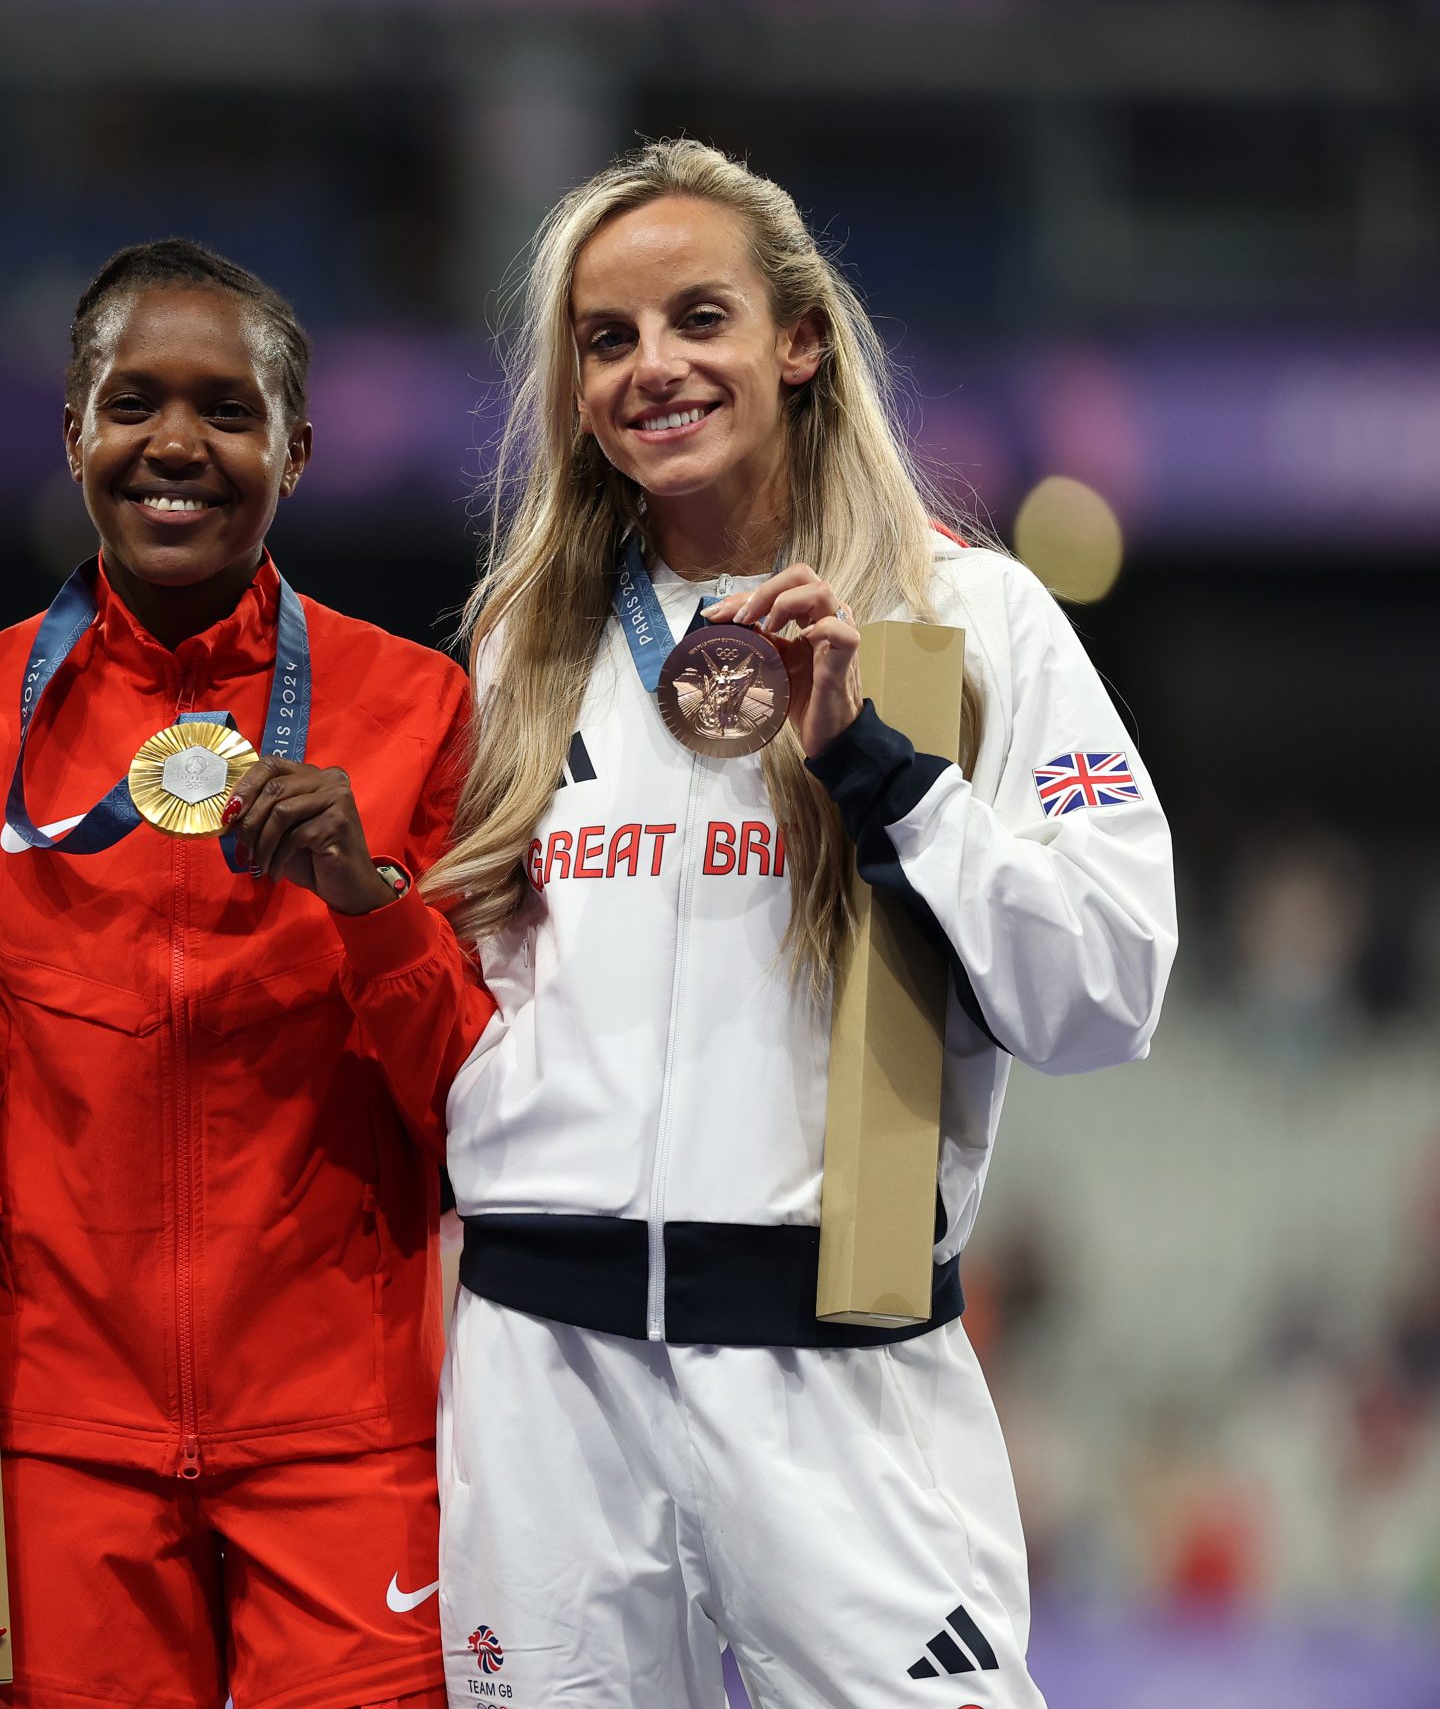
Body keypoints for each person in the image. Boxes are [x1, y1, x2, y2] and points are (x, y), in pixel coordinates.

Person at [419, 140, 1177, 1706]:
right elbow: (481, 996)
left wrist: (884, 774)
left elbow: (1109, 988)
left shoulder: (966, 621)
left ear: (799, 339)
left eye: (700, 317)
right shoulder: (523, 641)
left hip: (835, 1380)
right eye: (606, 339)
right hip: (542, 1381)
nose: (654, 369)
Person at [0, 240, 479, 1709]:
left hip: (350, 1452)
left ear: (295, 450)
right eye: (134, 402)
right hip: (57, 1459)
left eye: (227, 410)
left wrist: (374, 913)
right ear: (74, 432)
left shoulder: (421, 716)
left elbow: (487, 1116)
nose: (176, 443)